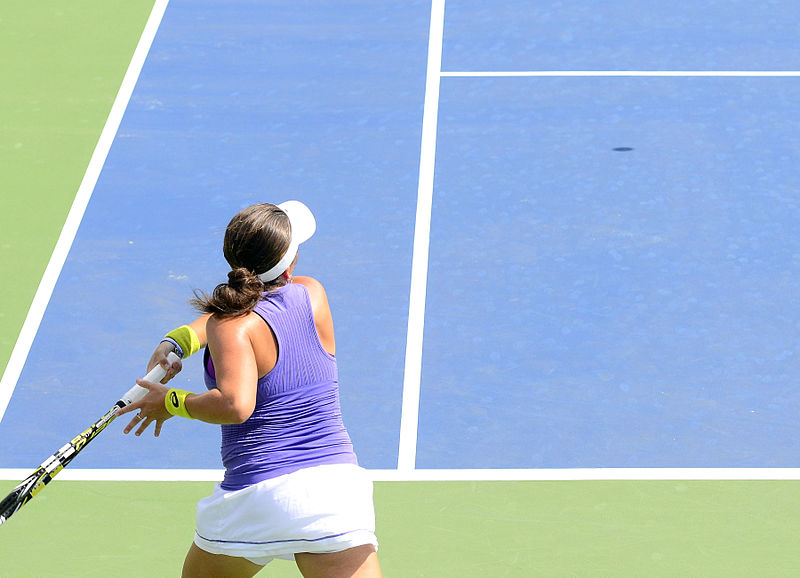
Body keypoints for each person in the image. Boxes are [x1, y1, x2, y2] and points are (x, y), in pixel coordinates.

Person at [116, 201, 382, 578]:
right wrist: (179, 342)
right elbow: (231, 315)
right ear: (288, 267)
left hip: (258, 500)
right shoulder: (312, 294)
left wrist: (170, 401)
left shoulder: (230, 328)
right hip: (333, 497)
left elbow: (235, 404)